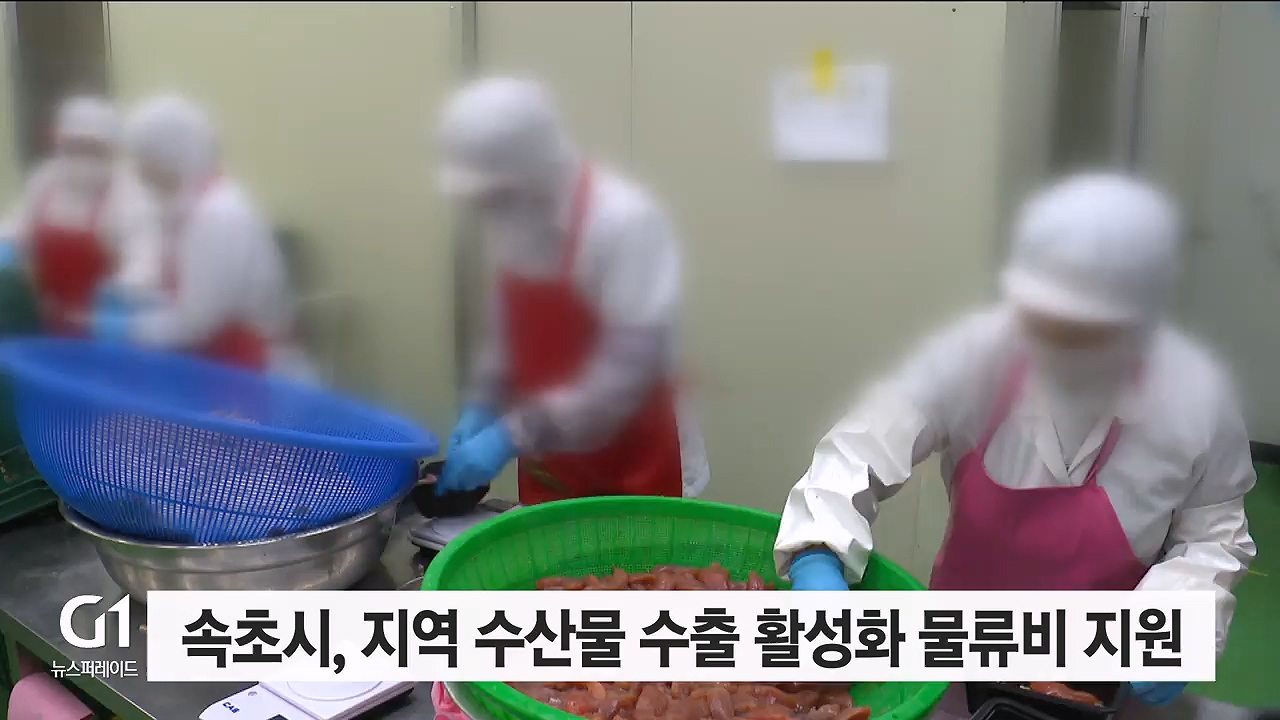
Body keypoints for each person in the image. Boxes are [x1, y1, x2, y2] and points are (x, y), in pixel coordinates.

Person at [774, 174, 1255, 714]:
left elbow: (1214, 535)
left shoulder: (1197, 399)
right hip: (959, 656)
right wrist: (819, 553)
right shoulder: (975, 358)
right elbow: (863, 445)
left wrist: (1178, 624)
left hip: (1101, 666)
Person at [433, 76, 709, 504]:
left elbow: (624, 376)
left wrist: (508, 436)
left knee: (637, 550)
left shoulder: (624, 221)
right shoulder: (513, 219)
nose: (491, 205)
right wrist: (483, 404)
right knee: (549, 550)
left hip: (635, 458)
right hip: (551, 463)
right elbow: (506, 336)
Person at [92, 95, 313, 380]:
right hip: (229, 366)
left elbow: (194, 323)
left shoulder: (217, 216)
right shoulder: (192, 206)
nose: (140, 172)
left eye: (145, 159)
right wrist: (138, 297)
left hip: (262, 375)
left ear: (172, 156)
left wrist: (126, 329)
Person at [0, 95, 163, 335]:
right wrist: (7, 250)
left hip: (98, 326)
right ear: (58, 143)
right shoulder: (46, 179)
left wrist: (120, 292)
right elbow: (18, 228)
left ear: (111, 150)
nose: (82, 157)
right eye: (74, 147)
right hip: (41, 315)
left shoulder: (129, 195)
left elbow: (145, 260)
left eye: (93, 149)